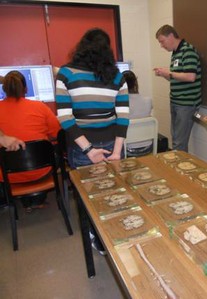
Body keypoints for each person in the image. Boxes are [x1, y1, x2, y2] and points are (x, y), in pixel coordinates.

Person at [55, 28, 129, 254]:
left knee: (89, 196)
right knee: (114, 194)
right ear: (108, 50)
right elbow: (123, 117)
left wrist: (88, 150)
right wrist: (117, 152)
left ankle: (96, 236)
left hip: (81, 147)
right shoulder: (118, 77)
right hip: (112, 145)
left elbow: (65, 118)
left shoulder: (66, 74)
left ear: (82, 47)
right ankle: (114, 236)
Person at [0, 71, 61, 212]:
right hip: (41, 171)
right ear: (26, 89)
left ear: (4, 89)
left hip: (6, 175)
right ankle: (36, 200)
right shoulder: (40, 107)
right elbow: (56, 133)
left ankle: (21, 200)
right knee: (54, 150)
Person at [153, 24, 202, 152]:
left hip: (186, 104)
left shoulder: (188, 51)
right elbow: (176, 77)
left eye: (162, 41)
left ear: (171, 36)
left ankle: (180, 169)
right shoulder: (176, 53)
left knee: (179, 143)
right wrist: (164, 74)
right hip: (175, 101)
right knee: (175, 139)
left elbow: (191, 76)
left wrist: (169, 73)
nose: (162, 45)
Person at [122, 70, 154, 157]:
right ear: (136, 83)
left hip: (127, 149)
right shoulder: (148, 101)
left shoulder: (120, 104)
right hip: (148, 147)